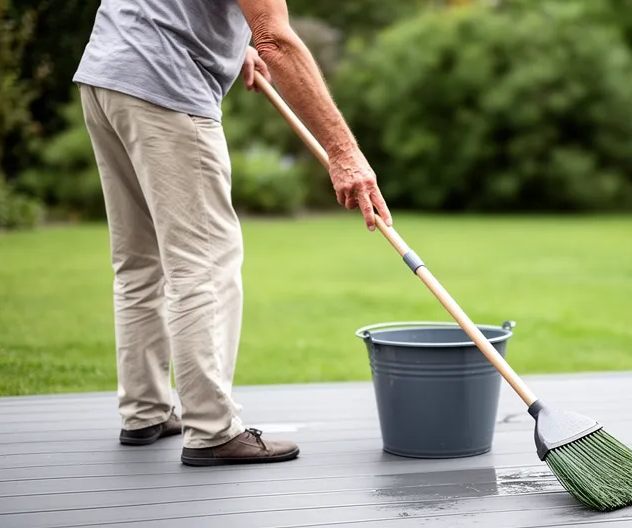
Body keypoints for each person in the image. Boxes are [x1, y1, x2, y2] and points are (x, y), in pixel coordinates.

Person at [72, 0, 392, 466]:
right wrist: (344, 152)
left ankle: (145, 410)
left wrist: (234, 45)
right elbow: (276, 39)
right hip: (165, 87)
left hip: (108, 77)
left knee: (139, 261)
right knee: (202, 265)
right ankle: (213, 429)